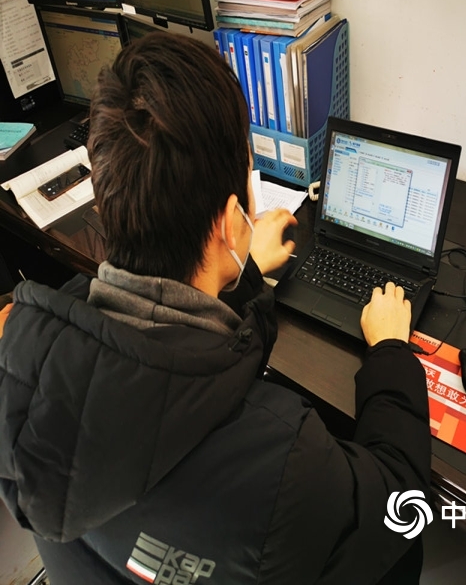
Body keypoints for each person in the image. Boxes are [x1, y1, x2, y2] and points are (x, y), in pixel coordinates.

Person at [0, 32, 430, 584]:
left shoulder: (29, 360)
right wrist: (391, 352)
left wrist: (243, 273)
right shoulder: (283, 461)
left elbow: (177, 365)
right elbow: (400, 506)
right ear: (231, 222)